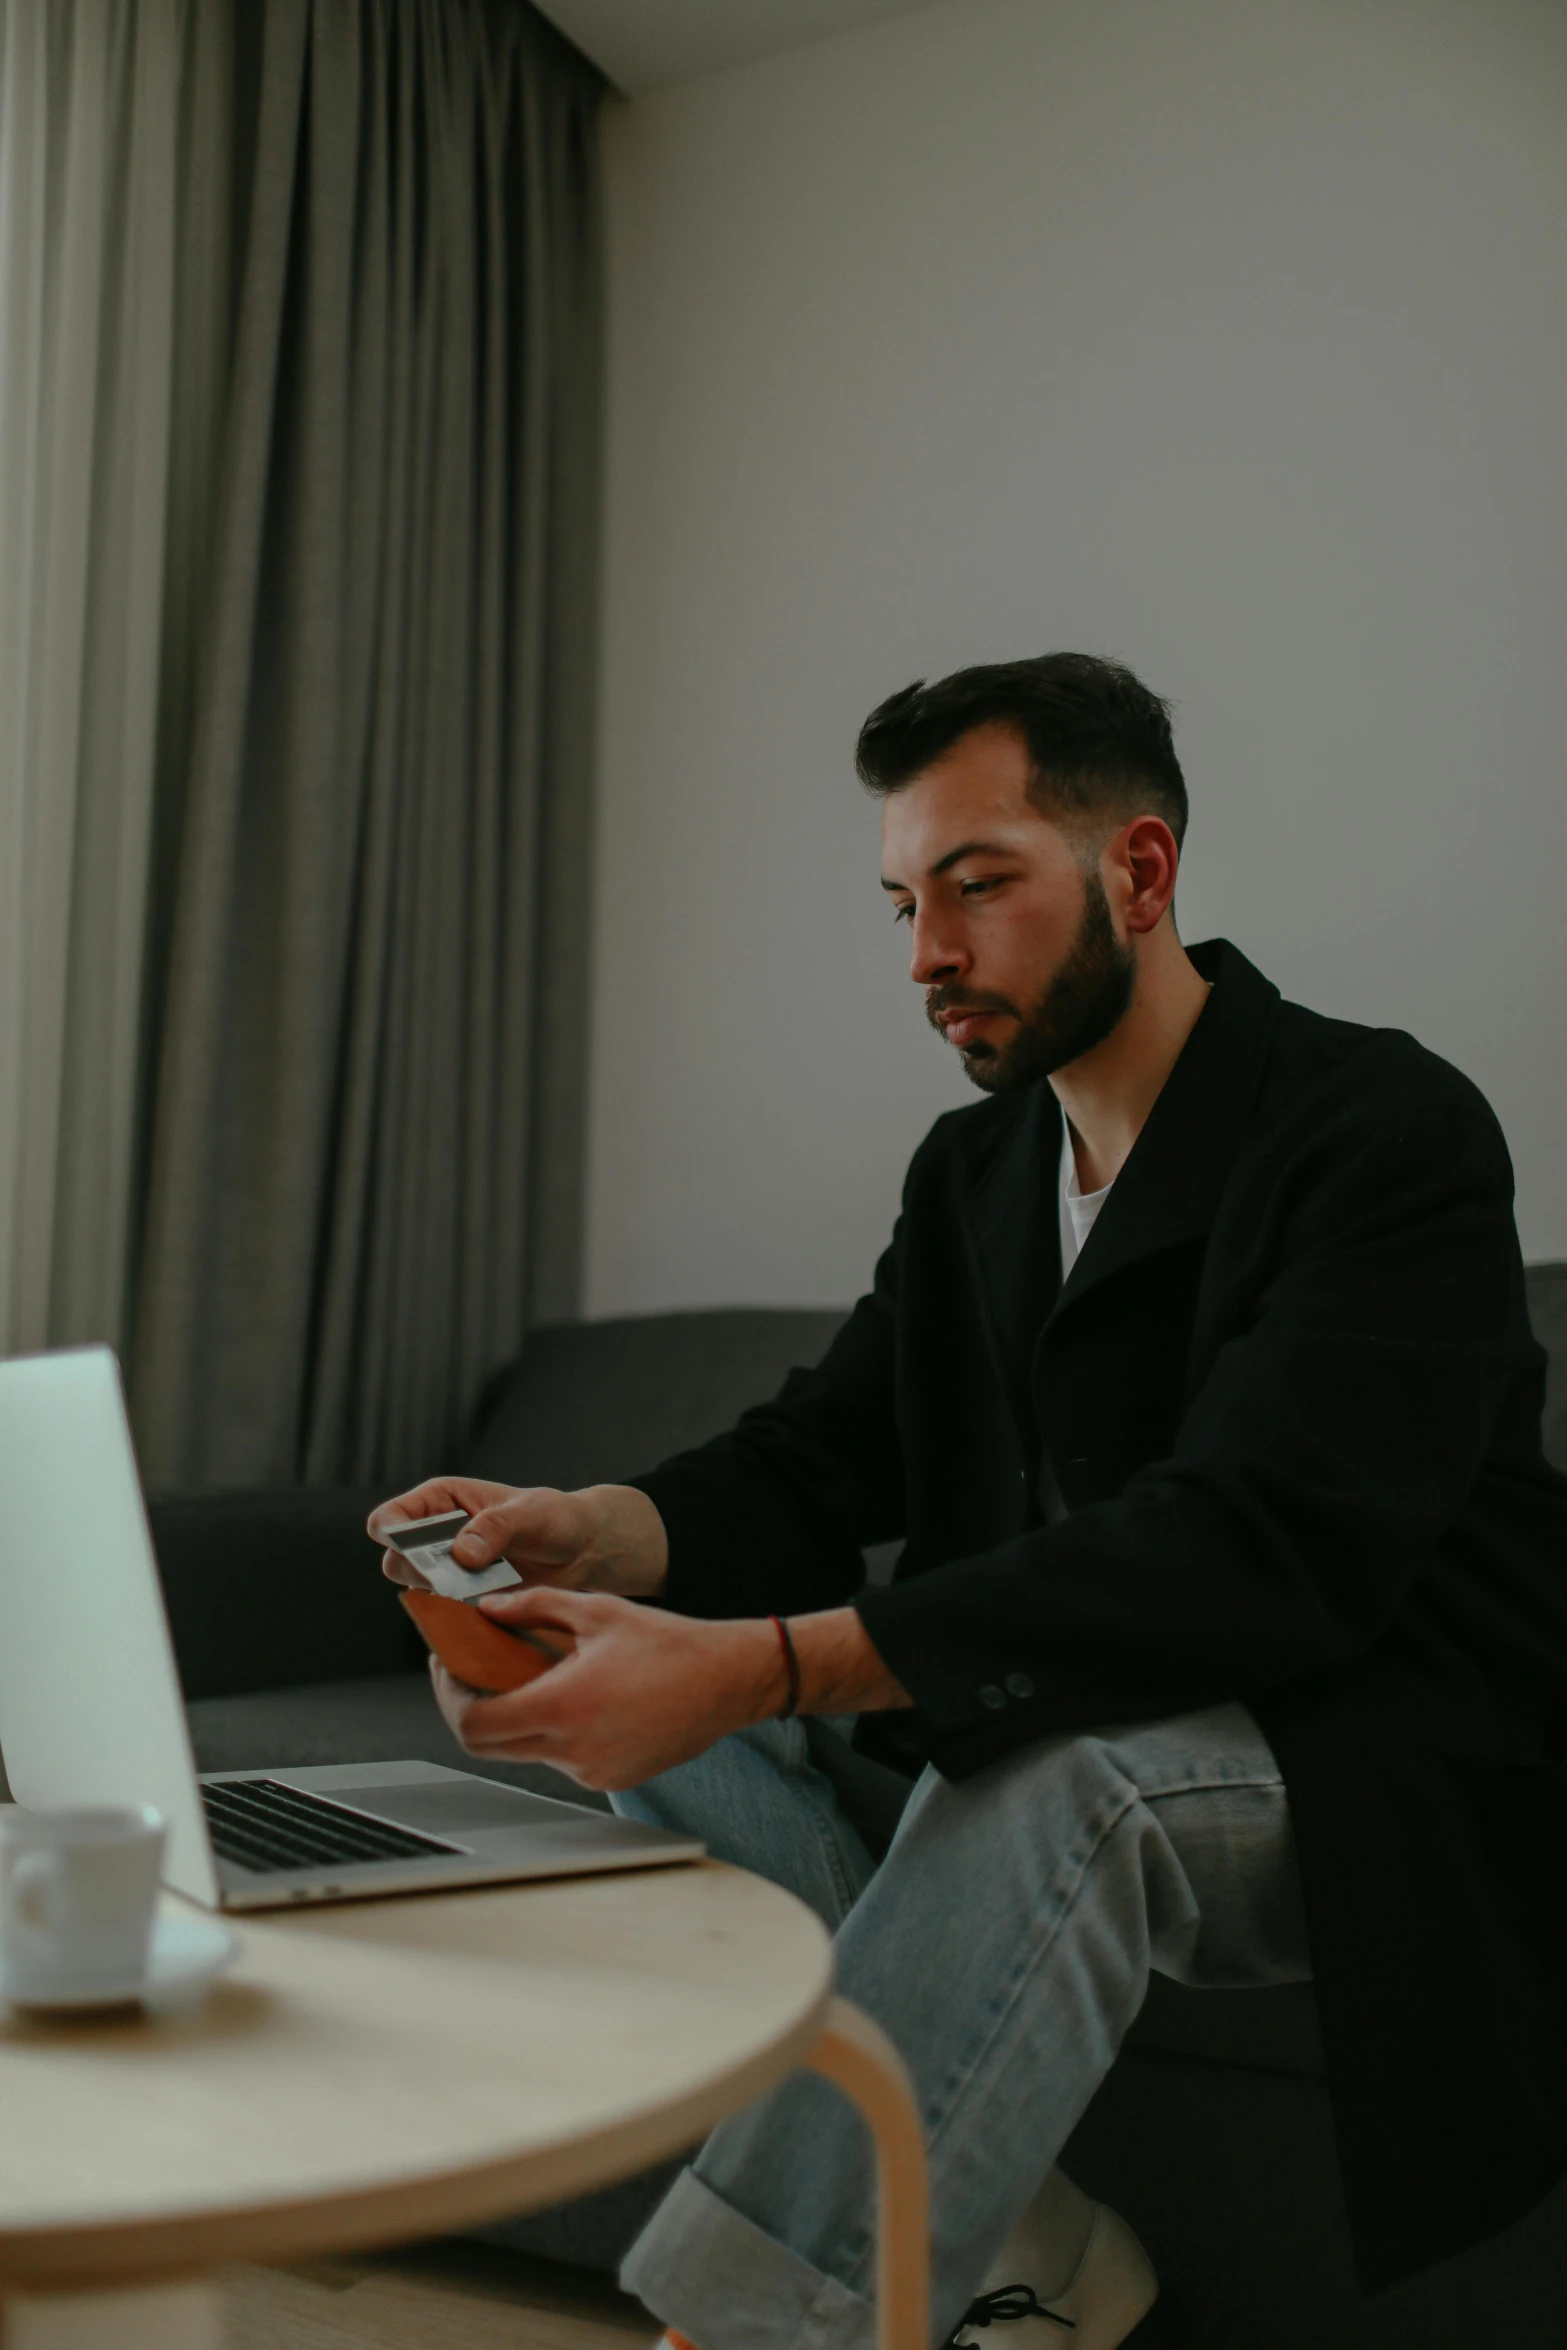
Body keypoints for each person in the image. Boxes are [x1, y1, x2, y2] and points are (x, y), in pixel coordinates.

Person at [370, 653, 1567, 2350]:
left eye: (977, 885)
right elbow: (822, 1452)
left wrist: (773, 1661)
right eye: (902, 902)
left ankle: (750, 2330)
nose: (929, 952)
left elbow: (1240, 1550)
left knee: (1053, 1779)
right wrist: (593, 1534)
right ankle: (1034, 2237)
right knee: (673, 1698)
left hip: (1366, 1762)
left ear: (1137, 873)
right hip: (1072, 1718)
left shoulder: (1381, 1131)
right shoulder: (976, 1172)